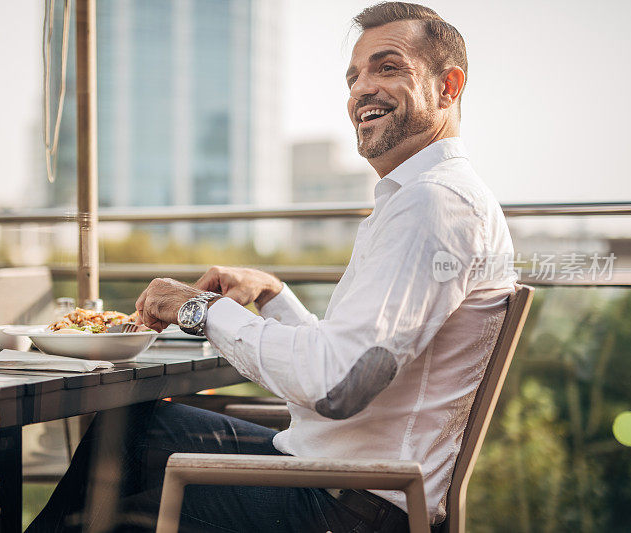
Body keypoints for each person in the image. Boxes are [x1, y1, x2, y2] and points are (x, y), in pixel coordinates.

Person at [28, 2, 516, 532]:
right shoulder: (420, 199)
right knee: (128, 428)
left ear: (449, 86)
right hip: (330, 470)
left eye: (388, 67)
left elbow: (337, 384)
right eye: (354, 76)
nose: (360, 90)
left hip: (345, 506)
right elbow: (351, 361)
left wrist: (197, 308)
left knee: (110, 507)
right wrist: (275, 296)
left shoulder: (433, 205)